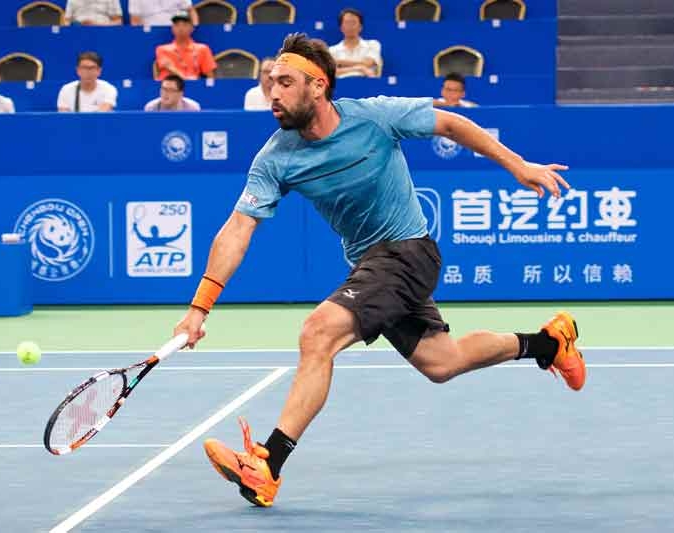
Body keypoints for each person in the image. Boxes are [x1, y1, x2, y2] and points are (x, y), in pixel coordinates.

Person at [173, 33, 585, 508]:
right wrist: (199, 308)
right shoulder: (276, 157)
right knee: (442, 362)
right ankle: (549, 343)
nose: (273, 93)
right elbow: (237, 230)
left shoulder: (374, 116)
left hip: (408, 252)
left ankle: (269, 465)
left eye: (285, 82)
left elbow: (450, 123)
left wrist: (517, 165)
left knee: (318, 332)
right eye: (270, 82)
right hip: (370, 267)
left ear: (318, 86)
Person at [154, 12, 216, 80]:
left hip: (193, 85)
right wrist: (186, 79)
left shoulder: (203, 49)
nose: (181, 28)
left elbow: (210, 77)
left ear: (192, 28)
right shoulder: (162, 49)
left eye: (185, 25)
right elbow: (168, 66)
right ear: (172, 29)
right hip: (169, 85)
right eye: (177, 25)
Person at [329, 8, 381, 78]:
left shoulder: (373, 44)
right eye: (347, 23)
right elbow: (331, 73)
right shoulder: (332, 50)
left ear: (360, 27)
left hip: (367, 82)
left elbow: (367, 64)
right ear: (341, 28)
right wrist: (359, 69)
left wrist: (340, 62)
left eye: (353, 23)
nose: (350, 26)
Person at [129, 0, 199, 26]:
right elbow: (135, 21)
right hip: (149, 32)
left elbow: (191, 11)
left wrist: (195, 28)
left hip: (177, 32)